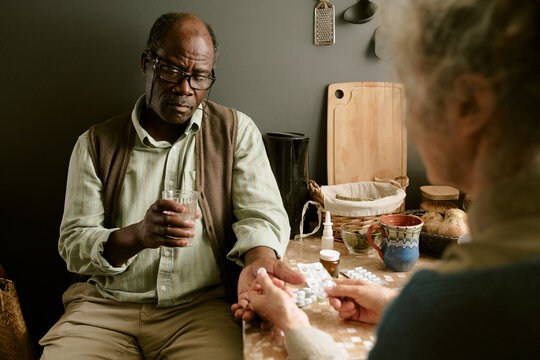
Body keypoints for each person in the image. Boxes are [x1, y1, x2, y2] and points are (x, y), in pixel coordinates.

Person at [248, 0, 540, 358]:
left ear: (469, 105)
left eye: (414, 91)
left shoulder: (445, 301)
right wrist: (395, 305)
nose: (407, 118)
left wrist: (292, 322)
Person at [40, 12, 304, 359]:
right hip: (103, 310)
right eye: (173, 72)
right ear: (147, 63)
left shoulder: (235, 132)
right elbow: (73, 246)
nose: (185, 89)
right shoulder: (94, 144)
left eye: (199, 77)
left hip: (198, 312)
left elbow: (262, 216)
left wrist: (259, 260)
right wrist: (138, 235)